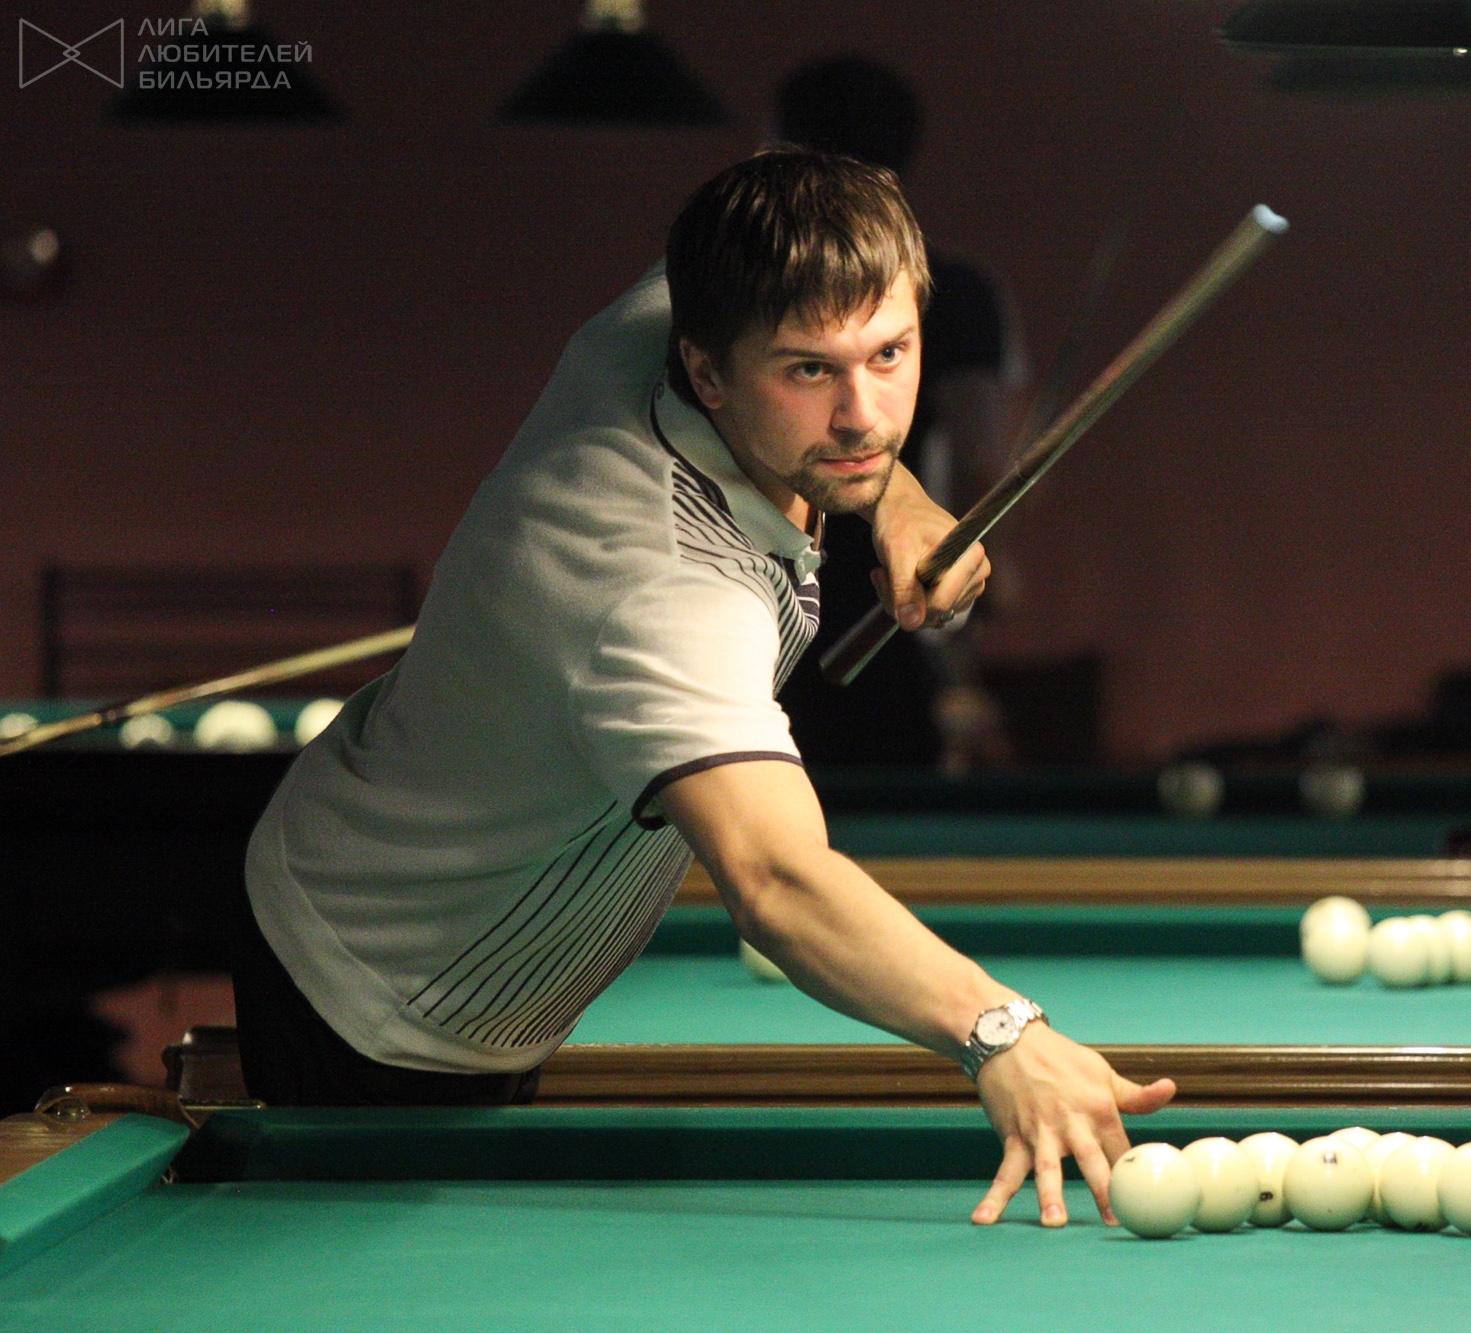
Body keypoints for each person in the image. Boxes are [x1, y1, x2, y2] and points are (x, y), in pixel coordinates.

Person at [234, 149, 1173, 1227]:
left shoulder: (703, 293)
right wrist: (1001, 1033)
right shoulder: (660, 589)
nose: (862, 414)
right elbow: (775, 880)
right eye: (807, 372)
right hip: (380, 985)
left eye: (890, 353)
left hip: (427, 899)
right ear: (705, 369)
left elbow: (796, 234)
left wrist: (899, 501)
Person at [770, 55, 1022, 771]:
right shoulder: (957, 290)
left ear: (778, 150)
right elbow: (978, 459)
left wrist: (953, 547)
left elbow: (972, 467)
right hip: (783, 600)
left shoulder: (950, 292)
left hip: (875, 601)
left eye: (888, 353)